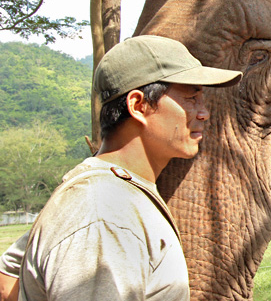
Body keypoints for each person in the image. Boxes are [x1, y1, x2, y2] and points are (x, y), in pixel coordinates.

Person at [0, 35, 241, 301]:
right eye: (191, 98)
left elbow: (7, 280)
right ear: (138, 105)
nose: (204, 112)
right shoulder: (104, 213)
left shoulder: (108, 196)